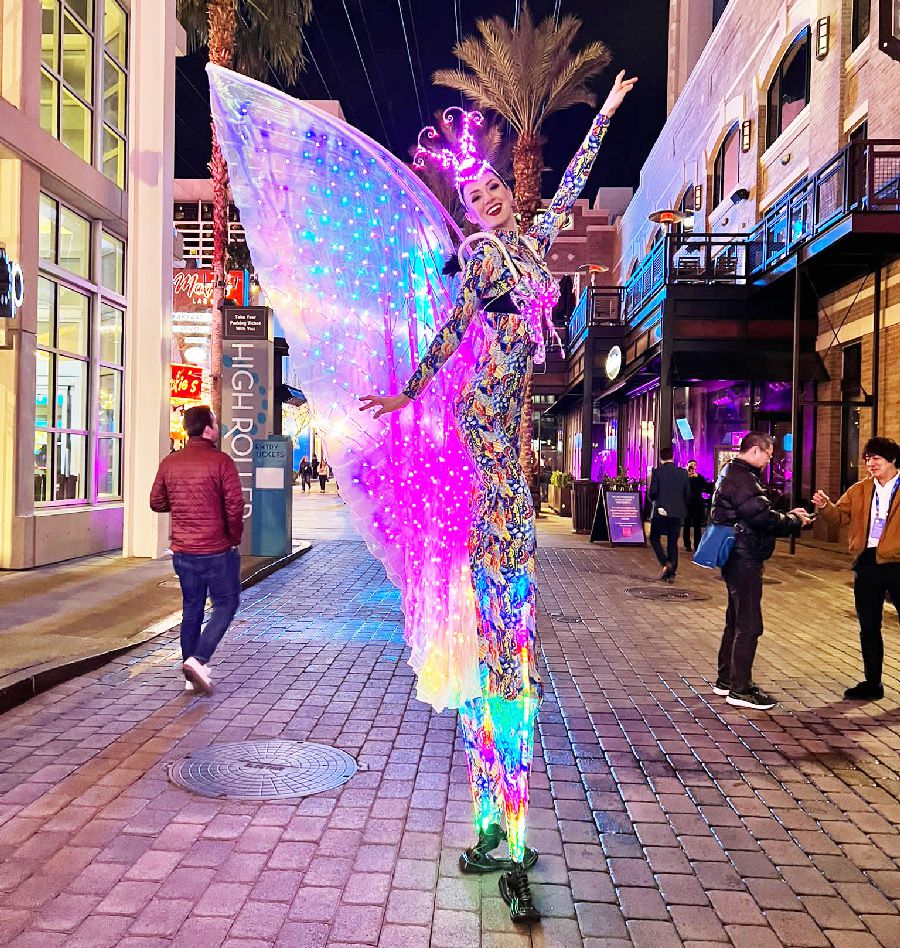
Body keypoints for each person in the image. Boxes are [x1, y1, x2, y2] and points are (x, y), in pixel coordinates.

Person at [360, 71, 637, 924]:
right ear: (471, 211)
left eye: (493, 190)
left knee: (510, 671)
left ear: (512, 202)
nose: (485, 199)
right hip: (478, 428)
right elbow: (450, 329)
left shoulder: (538, 233)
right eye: (474, 193)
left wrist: (608, 114)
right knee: (490, 676)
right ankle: (494, 826)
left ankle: (512, 836)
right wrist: (408, 393)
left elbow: (580, 175)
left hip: (503, 463)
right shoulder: (477, 261)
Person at [710, 431, 811, 709]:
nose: (769, 461)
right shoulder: (742, 478)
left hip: (737, 556)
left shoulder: (734, 472)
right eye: (768, 455)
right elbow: (762, 517)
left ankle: (726, 680)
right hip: (744, 558)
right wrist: (793, 520)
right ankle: (740, 689)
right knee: (750, 624)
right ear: (755, 450)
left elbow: (756, 510)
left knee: (736, 619)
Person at [149, 405, 243, 695]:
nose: (218, 425)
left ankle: (190, 676)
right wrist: (233, 537)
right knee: (226, 605)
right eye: (215, 422)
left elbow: (156, 502)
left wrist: (181, 505)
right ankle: (199, 659)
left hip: (183, 551)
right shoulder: (221, 462)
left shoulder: (170, 462)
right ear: (207, 428)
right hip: (217, 550)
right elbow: (234, 506)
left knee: (192, 609)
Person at [813, 436, 900, 701]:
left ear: (893, 460)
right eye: (867, 459)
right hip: (868, 562)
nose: (870, 464)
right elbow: (839, 517)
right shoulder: (860, 489)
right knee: (869, 625)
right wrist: (825, 506)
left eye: (876, 459)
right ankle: (872, 683)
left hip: (898, 563)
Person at [648, 447, 690, 581]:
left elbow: (653, 493)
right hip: (677, 513)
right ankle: (671, 573)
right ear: (673, 457)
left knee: (654, 538)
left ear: (661, 459)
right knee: (673, 542)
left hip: (660, 512)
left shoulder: (657, 473)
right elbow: (687, 494)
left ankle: (666, 563)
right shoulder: (683, 473)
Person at [683, 460, 711, 552]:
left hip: (697, 504)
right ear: (687, 466)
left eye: (694, 465)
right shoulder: (684, 477)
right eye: (691, 465)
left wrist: (697, 477)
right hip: (686, 504)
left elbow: (706, 487)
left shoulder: (700, 477)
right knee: (686, 525)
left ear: (696, 467)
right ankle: (687, 545)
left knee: (697, 525)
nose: (692, 467)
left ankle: (697, 545)